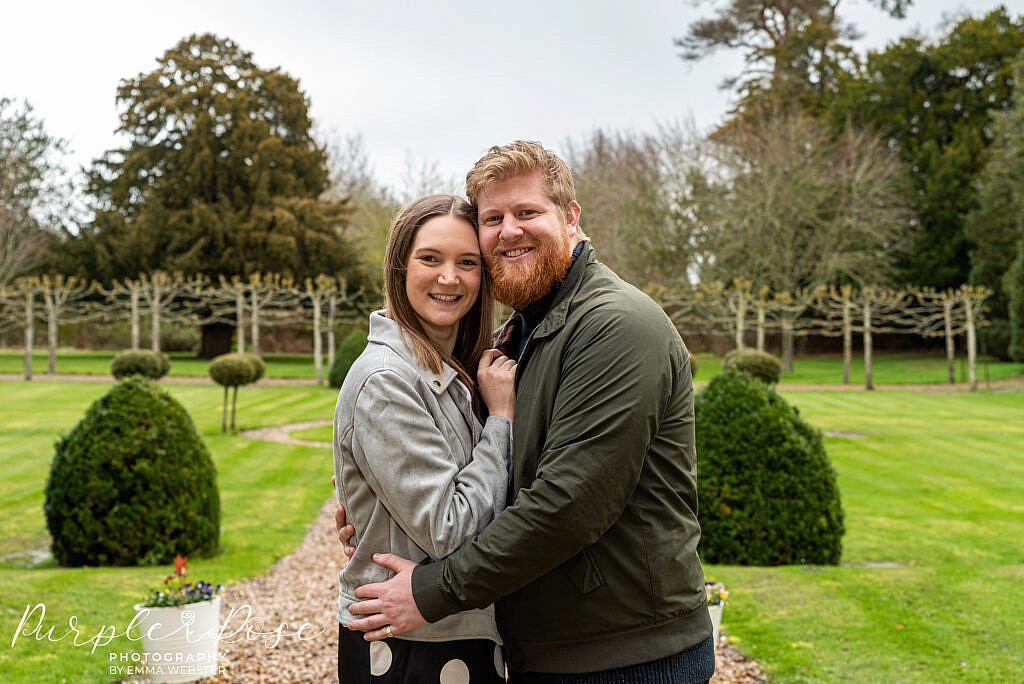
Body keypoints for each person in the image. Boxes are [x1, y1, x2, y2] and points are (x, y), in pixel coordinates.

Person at [340, 141, 715, 683]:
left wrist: (431, 591)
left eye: (527, 212)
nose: (509, 231)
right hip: (552, 645)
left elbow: (570, 505)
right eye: (492, 219)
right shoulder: (517, 336)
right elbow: (470, 471)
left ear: (571, 217)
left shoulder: (615, 327)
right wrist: (378, 504)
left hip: (624, 654)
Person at [333, 194, 517, 683]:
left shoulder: (455, 368)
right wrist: (501, 420)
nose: (449, 277)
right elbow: (450, 529)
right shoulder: (388, 380)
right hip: (410, 645)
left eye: (468, 263)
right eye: (430, 258)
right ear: (399, 266)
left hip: (455, 631)